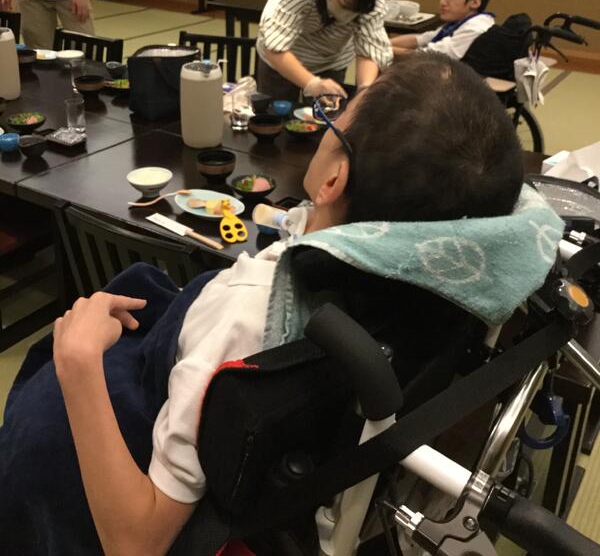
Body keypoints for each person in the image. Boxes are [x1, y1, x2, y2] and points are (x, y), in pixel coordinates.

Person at [2, 53, 556, 556]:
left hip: (156, 413)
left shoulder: (246, 311)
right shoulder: (444, 269)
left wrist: (78, 364)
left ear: (334, 178)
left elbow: (138, 542)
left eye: (335, 121)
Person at [256, 0, 393, 102]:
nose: (349, 15)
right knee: (273, 113)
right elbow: (274, 47)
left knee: (328, 114)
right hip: (283, 59)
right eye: (344, 5)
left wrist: (364, 90)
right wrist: (312, 83)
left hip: (331, 60)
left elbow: (370, 52)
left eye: (358, 11)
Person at [390, 0, 494, 61]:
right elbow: (421, 39)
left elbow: (428, 56)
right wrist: (385, 43)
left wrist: (385, 50)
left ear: (475, 2)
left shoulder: (474, 28)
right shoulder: (460, 22)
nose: (442, 2)